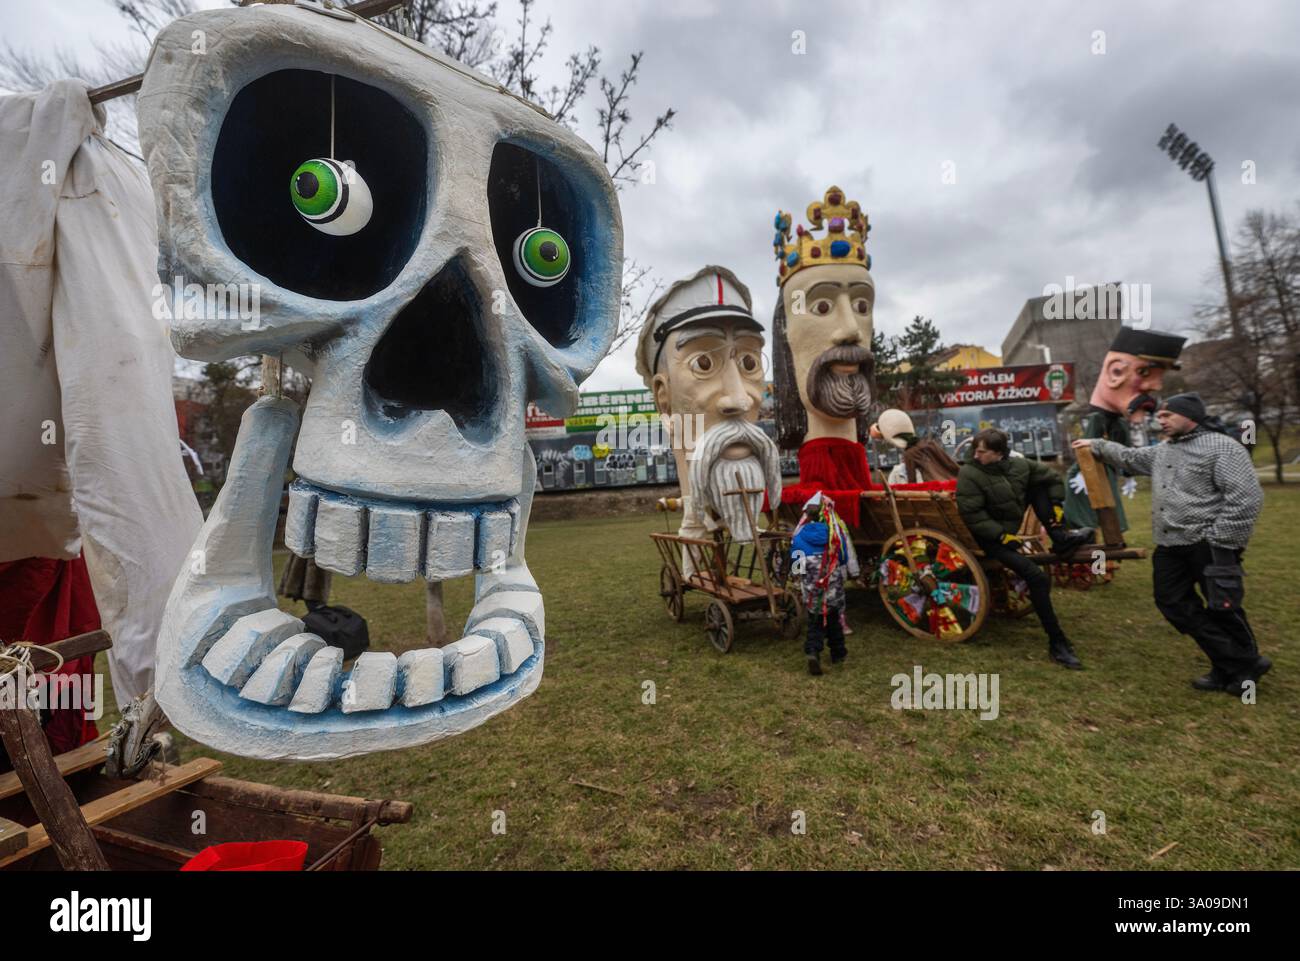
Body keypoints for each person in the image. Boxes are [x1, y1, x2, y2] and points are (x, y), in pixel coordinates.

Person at [1073, 392, 1268, 695]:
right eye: (1159, 416)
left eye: (1167, 415)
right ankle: (1243, 661)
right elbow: (1131, 458)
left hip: (1210, 543)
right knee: (1172, 602)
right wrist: (1097, 445)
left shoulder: (1223, 448)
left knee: (1223, 607)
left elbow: (1246, 498)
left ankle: (1231, 670)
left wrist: (1222, 539)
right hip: (1170, 544)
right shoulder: (1164, 450)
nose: (1160, 420)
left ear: (1190, 416)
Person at [956, 429, 1093, 669]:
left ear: (999, 453)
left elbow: (1051, 477)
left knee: (1038, 485)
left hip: (1009, 534)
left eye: (982, 451)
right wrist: (1001, 536)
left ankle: (1059, 536)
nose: (975, 455)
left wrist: (1056, 507)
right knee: (1037, 577)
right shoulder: (970, 473)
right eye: (975, 450)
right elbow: (972, 514)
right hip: (988, 539)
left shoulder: (1019, 466)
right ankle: (1057, 643)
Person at [790, 492, 858, 675]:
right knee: (834, 620)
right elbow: (843, 559)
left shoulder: (798, 538)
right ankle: (838, 653)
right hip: (833, 586)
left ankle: (813, 651)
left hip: (812, 590)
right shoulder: (834, 536)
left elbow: (796, 568)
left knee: (815, 622)